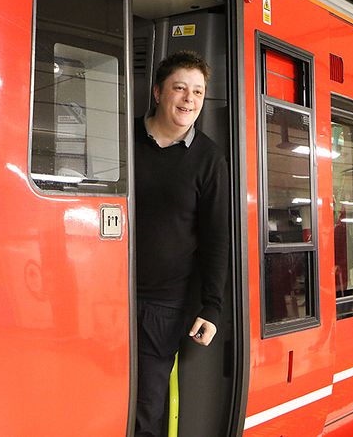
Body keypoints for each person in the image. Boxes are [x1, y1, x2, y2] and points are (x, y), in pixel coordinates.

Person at [134, 50, 229, 437]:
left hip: (164, 306)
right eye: (180, 88)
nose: (189, 99)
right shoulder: (123, 141)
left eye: (198, 92)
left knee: (147, 409)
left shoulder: (209, 159)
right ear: (158, 92)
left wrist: (212, 307)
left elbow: (216, 238)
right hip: (103, 297)